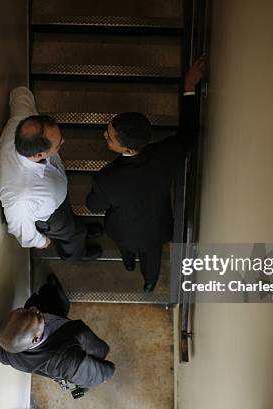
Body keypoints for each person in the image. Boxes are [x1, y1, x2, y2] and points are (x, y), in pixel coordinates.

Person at [85, 57, 206, 292]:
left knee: (126, 247)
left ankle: (129, 263)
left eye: (109, 137)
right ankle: (149, 281)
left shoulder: (106, 178)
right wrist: (189, 88)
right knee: (153, 258)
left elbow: (93, 206)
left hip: (123, 230)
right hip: (156, 228)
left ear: (128, 149)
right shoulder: (168, 154)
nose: (104, 136)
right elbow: (189, 131)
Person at [0, 87, 101, 260]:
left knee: (73, 223)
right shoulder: (20, 197)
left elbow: (20, 94)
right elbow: (20, 229)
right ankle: (75, 254)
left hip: (58, 199)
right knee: (70, 234)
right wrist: (39, 241)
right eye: (58, 144)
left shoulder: (21, 120)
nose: (64, 141)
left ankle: (80, 228)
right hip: (53, 217)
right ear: (39, 155)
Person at [0, 275, 115, 393]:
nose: (35, 309)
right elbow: (94, 375)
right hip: (75, 338)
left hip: (54, 312)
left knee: (51, 294)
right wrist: (109, 369)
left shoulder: (5, 343)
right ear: (35, 339)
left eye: (26, 311)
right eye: (38, 317)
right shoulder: (67, 361)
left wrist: (36, 316)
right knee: (97, 351)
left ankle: (54, 291)